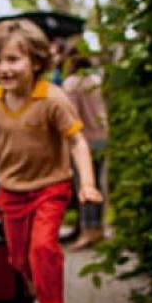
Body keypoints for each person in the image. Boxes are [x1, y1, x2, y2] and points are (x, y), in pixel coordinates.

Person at [0, 19, 103, 303]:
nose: (4, 68)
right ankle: (40, 284)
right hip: (12, 188)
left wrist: (87, 184)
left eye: (13, 60)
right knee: (18, 259)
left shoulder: (53, 99)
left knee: (43, 248)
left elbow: (77, 142)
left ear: (35, 62)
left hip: (51, 186)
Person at [62, 55, 109, 250]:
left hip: (82, 140)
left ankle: (87, 232)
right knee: (97, 183)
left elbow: (70, 116)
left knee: (83, 187)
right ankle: (96, 228)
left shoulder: (71, 83)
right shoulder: (96, 82)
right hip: (102, 138)